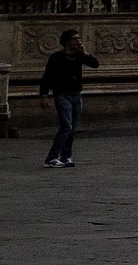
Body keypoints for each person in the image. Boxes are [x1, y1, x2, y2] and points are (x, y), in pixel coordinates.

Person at [39, 30, 99, 167]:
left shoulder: (79, 56)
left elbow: (95, 64)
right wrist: (44, 95)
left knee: (72, 128)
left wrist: (85, 53)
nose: (78, 41)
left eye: (79, 38)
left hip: (76, 94)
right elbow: (47, 77)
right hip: (62, 95)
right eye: (74, 39)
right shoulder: (56, 58)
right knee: (66, 126)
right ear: (66, 42)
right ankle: (52, 157)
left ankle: (66, 156)